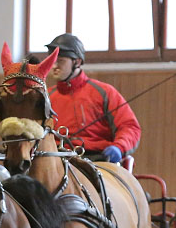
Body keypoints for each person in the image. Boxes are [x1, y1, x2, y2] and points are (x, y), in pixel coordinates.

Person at [45, 34, 141, 163]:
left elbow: (130, 127)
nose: (54, 66)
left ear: (77, 62)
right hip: (55, 159)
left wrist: (119, 147)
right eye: (52, 60)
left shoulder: (104, 92)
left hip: (98, 158)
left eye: (60, 60)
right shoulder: (46, 97)